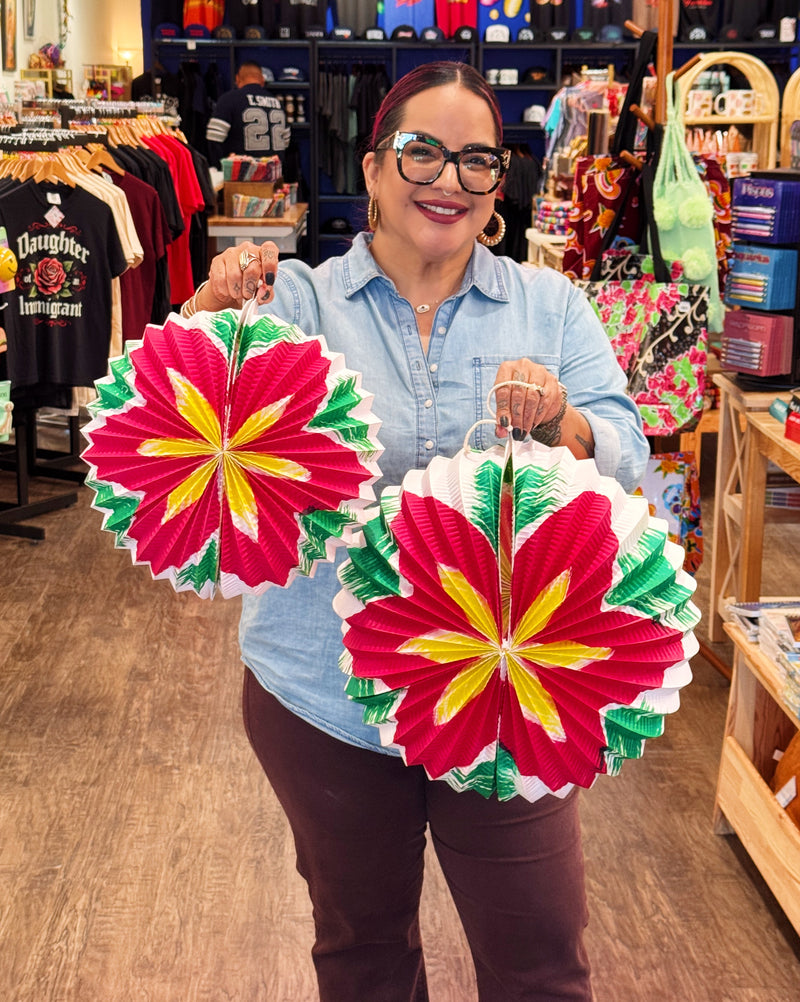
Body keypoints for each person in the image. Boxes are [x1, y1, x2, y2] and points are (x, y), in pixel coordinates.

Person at [181, 61, 649, 1002]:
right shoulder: (298, 303)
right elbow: (186, 424)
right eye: (422, 152)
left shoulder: (549, 305)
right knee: (361, 953)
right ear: (374, 168)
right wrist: (205, 316)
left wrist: (561, 419)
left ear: (499, 186)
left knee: (542, 961)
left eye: (478, 160)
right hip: (325, 692)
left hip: (511, 690)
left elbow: (629, 453)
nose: (449, 179)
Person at [205, 61, 290, 169]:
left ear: (237, 79)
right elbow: (286, 141)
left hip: (242, 176)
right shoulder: (277, 103)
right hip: (273, 175)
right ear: (262, 80)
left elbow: (214, 137)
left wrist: (221, 168)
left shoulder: (229, 100)